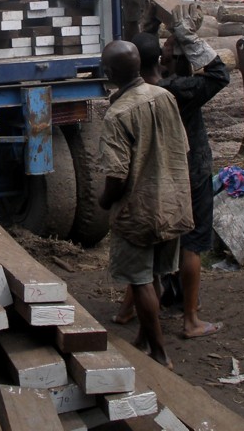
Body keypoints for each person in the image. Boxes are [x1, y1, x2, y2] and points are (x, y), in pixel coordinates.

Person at [134, 2, 230, 340]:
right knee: (192, 243)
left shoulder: (140, 88)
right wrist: (189, 38)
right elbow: (220, 74)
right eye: (165, 46)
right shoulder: (182, 90)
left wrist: (147, 28)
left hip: (156, 175)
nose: (166, 46)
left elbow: (139, 58)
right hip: (191, 172)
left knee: (153, 242)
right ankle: (191, 320)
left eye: (170, 45)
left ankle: (131, 309)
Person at [97, 39, 193, 368]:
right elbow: (182, 148)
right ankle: (142, 339)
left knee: (140, 281)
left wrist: (104, 201)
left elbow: (117, 176)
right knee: (154, 275)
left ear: (109, 73)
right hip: (172, 204)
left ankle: (160, 352)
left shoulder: (117, 114)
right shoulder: (164, 96)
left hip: (137, 212)